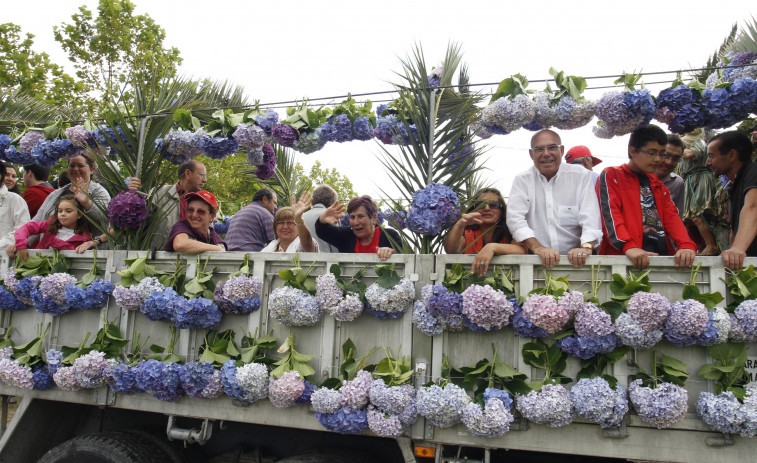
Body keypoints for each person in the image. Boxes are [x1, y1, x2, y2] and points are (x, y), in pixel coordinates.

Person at [596, 124, 696, 269]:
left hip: (659, 258)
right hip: (625, 259)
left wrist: (686, 244)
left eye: (662, 153)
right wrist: (628, 246)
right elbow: (610, 215)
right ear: (633, 151)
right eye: (652, 153)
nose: (658, 159)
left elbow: (672, 218)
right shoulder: (612, 175)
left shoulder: (658, 185)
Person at [506, 130, 603, 268]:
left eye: (552, 147)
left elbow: (591, 216)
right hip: (536, 263)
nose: (546, 153)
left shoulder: (581, 176)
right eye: (539, 149)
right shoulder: (522, 180)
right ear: (531, 154)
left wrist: (586, 247)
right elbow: (515, 220)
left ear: (561, 150)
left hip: (577, 263)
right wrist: (538, 248)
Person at [705, 130, 757, 270]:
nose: (707, 163)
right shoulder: (734, 184)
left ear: (732, 155)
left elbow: (753, 208)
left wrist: (738, 249)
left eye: (711, 156)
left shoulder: (753, 172)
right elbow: (736, 228)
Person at [444, 188, 525, 276]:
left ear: (501, 211)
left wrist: (492, 247)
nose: (487, 208)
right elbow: (451, 250)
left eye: (493, 205)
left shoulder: (510, 231)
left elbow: (522, 250)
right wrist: (461, 223)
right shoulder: (465, 232)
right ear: (474, 209)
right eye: (481, 204)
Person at [130, 159, 208, 250]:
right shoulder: (160, 193)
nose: (205, 180)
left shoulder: (203, 201)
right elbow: (138, 217)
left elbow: (209, 234)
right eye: (202, 175)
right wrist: (134, 193)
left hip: (190, 259)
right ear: (187, 173)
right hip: (158, 258)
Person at [32, 152, 111, 231]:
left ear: (92, 169)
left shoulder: (99, 192)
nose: (76, 169)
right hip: (52, 242)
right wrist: (22, 239)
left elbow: (105, 220)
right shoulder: (55, 194)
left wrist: (87, 203)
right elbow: (37, 220)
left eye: (80, 166)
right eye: (72, 166)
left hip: (86, 242)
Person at [680, 131, 730, 256]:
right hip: (691, 180)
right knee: (690, 219)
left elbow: (691, 154)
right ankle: (702, 246)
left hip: (700, 179)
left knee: (698, 215)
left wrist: (676, 148)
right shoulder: (687, 146)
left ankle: (711, 245)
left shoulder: (698, 142)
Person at [315, 195, 402, 260]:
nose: (356, 222)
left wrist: (391, 252)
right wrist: (322, 220)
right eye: (352, 217)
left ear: (374, 218)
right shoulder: (345, 236)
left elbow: (403, 255)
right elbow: (323, 231)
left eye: (360, 216)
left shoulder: (390, 236)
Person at [8, 194, 92, 260]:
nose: (62, 214)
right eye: (60, 211)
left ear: (79, 215)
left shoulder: (84, 238)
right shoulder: (49, 226)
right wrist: (21, 245)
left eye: (68, 211)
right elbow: (25, 228)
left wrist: (56, 243)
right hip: (38, 267)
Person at [226, 187, 277, 252]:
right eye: (274, 203)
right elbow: (274, 243)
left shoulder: (239, 212)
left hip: (229, 256)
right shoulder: (265, 213)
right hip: (249, 258)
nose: (276, 207)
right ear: (264, 199)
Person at [0, 160, 31, 251]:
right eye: (7, 175)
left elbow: (23, 229)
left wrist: (3, 244)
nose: (10, 179)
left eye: (14, 176)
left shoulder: (15, 199)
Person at [653, 134, 685, 218]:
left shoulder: (677, 183)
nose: (669, 162)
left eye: (675, 159)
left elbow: (678, 217)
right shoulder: (634, 178)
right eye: (665, 155)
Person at [302, 184, 340, 252]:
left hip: (301, 261)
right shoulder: (332, 217)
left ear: (313, 200)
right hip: (327, 261)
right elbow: (336, 247)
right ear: (331, 202)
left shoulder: (301, 217)